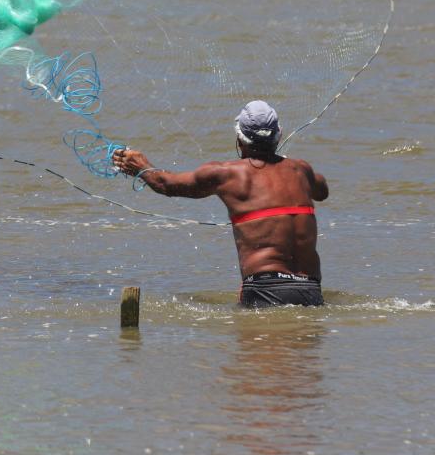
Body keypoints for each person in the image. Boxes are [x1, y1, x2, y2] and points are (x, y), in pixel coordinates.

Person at [111, 100, 328, 308]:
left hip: (263, 288)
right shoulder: (301, 170)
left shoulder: (227, 174)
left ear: (240, 140)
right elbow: (322, 191)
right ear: (278, 136)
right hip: (310, 289)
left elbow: (165, 184)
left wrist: (141, 165)